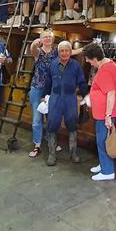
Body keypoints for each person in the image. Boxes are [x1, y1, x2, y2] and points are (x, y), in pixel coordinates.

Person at [27, 29, 83, 158]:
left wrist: (85, 49)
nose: (47, 39)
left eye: (49, 37)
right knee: (37, 118)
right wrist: (35, 43)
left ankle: (50, 141)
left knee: (52, 117)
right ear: (41, 39)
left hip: (52, 88)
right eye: (44, 37)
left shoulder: (56, 52)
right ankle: (37, 145)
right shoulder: (38, 52)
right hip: (38, 87)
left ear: (52, 39)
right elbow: (33, 50)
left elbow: (70, 52)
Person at [44, 40, 88, 166]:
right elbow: (48, 83)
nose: (64, 53)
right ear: (58, 52)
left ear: (70, 52)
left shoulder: (76, 66)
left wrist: (86, 97)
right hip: (55, 99)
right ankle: (52, 154)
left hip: (70, 99)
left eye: (67, 50)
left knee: (72, 125)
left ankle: (73, 153)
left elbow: (82, 82)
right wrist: (44, 96)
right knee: (52, 125)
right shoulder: (52, 65)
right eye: (62, 51)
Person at [84, 43, 116, 181]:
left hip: (105, 114)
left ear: (95, 58)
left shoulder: (105, 70)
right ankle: (103, 164)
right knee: (102, 138)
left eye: (88, 59)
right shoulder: (110, 64)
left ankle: (107, 171)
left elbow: (111, 93)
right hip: (104, 112)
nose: (87, 61)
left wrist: (107, 116)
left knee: (103, 140)